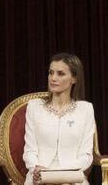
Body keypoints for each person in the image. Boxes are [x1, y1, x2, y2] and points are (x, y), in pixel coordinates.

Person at [23, 53, 95, 185]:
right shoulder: (34, 107)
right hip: (39, 177)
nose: (53, 78)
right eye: (51, 73)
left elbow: (86, 155)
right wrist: (36, 169)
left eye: (60, 73)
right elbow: (29, 150)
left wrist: (62, 175)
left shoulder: (85, 110)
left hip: (72, 178)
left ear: (74, 79)